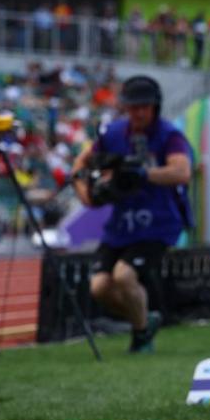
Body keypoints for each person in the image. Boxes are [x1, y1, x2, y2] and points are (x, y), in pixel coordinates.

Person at [72, 76, 192, 354]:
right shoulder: (113, 134)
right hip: (120, 226)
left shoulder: (169, 135)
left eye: (144, 107)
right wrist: (85, 192)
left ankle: (141, 338)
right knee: (99, 287)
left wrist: (143, 174)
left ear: (155, 107)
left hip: (158, 223)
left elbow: (182, 172)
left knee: (125, 275)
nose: (138, 113)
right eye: (133, 107)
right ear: (125, 107)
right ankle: (145, 320)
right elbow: (80, 163)